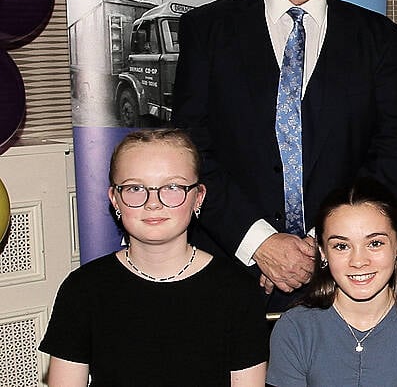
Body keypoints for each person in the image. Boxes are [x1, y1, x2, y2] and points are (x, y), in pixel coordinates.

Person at [172, 0, 397, 311]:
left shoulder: (379, 39)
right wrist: (261, 242)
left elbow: (395, 152)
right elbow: (190, 152)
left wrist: (326, 242)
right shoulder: (207, 31)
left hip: (344, 275)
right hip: (229, 267)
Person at [40, 129, 268, 386]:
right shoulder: (82, 289)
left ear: (198, 197)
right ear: (115, 199)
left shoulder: (237, 292)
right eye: (136, 188)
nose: (153, 202)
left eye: (172, 187)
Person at [267, 179, 397, 386]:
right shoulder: (296, 329)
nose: (358, 261)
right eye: (341, 246)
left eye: (374, 243)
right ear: (322, 251)